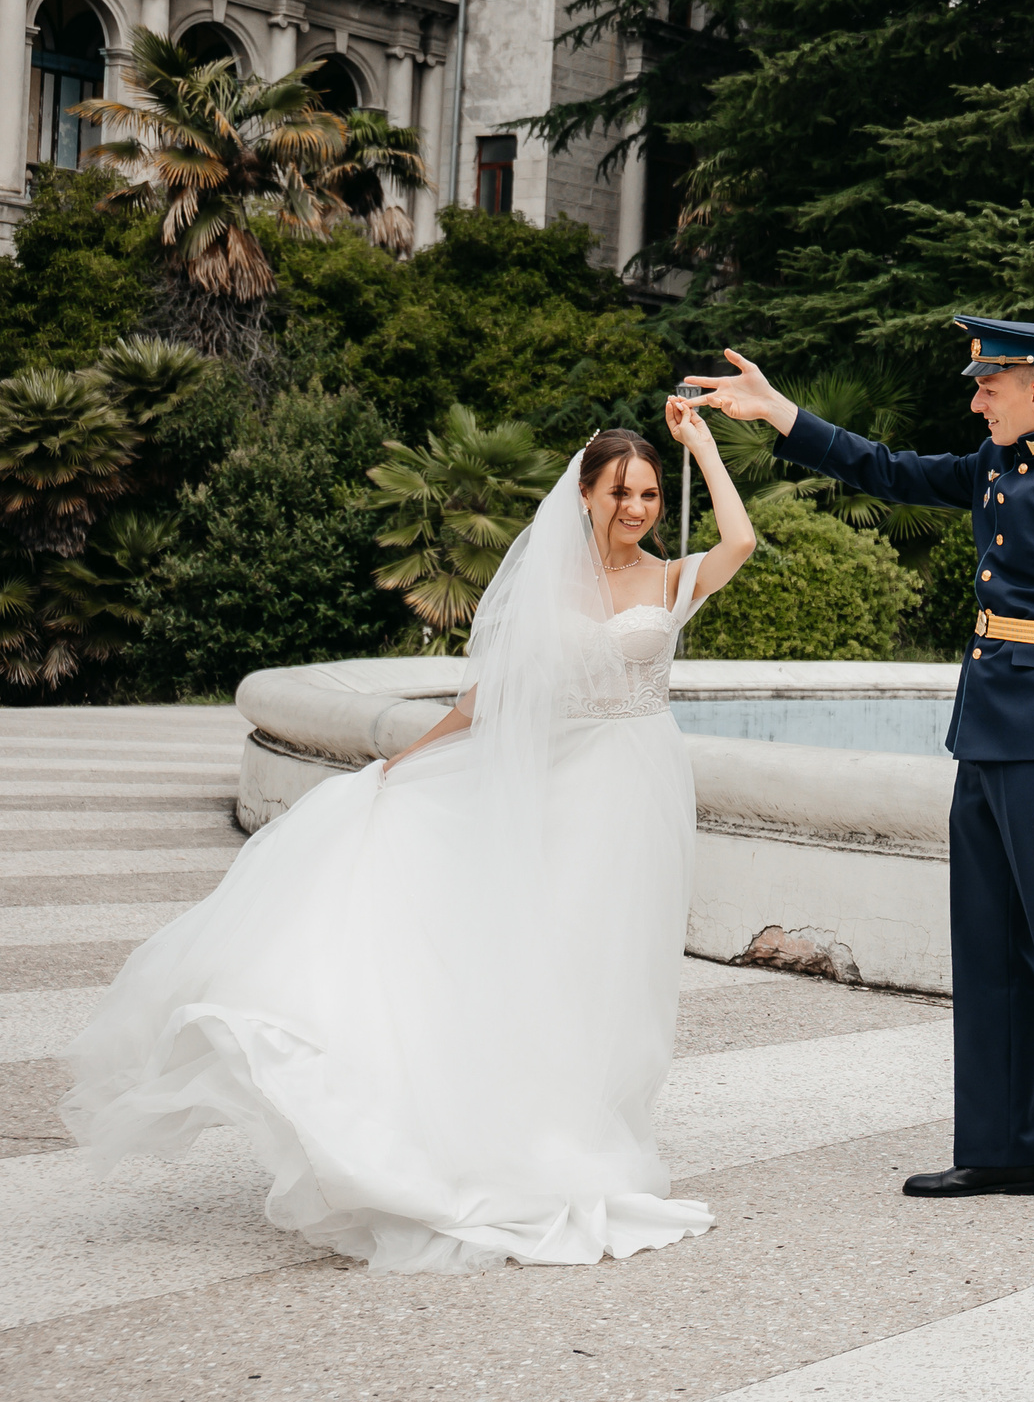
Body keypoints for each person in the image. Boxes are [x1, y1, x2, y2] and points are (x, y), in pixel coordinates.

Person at [61, 401, 756, 1273]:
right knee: (547, 958)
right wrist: (401, 764)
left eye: (650, 493)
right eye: (622, 490)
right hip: (559, 794)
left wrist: (703, 447)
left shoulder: (666, 578)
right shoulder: (550, 588)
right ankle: (528, 1136)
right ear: (584, 493)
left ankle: (589, 1127)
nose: (639, 507)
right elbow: (484, 701)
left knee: (615, 969)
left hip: (639, 792)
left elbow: (741, 542)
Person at [684, 321, 1034, 1216]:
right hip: (986, 735)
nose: (974, 400)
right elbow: (886, 468)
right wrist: (776, 414)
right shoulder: (995, 467)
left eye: (987, 386)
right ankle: (1000, 1149)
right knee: (989, 942)